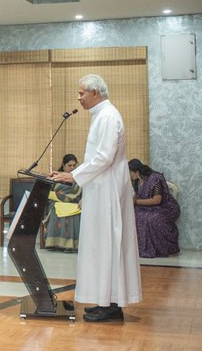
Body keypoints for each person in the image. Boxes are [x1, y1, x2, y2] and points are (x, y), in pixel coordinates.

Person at [49, 74, 142, 323]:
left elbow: (104, 157)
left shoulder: (109, 116)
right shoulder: (102, 115)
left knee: (107, 245)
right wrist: (73, 175)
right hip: (100, 188)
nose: (78, 98)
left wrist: (73, 176)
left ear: (95, 93)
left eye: (81, 93)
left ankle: (109, 304)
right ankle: (106, 301)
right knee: (101, 246)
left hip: (108, 190)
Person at [128, 159, 180, 258]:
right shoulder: (136, 181)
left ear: (137, 172)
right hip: (148, 207)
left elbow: (157, 200)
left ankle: (162, 248)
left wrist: (136, 202)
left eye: (130, 172)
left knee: (151, 219)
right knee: (134, 214)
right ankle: (140, 248)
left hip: (166, 207)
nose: (129, 175)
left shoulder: (155, 178)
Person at [44, 154, 83, 252]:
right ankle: (54, 243)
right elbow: (49, 191)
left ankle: (71, 245)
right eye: (69, 165)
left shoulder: (79, 178)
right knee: (54, 209)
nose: (72, 168)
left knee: (75, 212)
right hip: (56, 203)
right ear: (64, 165)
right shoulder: (56, 177)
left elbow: (79, 194)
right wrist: (59, 196)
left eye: (74, 165)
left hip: (74, 203)